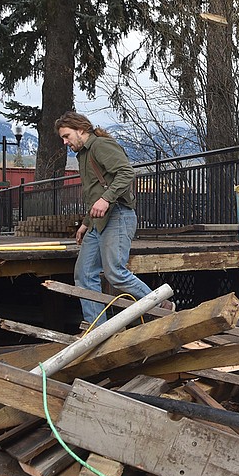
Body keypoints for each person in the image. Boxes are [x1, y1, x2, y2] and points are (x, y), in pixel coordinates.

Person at [55, 111, 171, 326]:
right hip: (98, 222)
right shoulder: (83, 154)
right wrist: (85, 223)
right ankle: (96, 328)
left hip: (118, 214)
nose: (65, 142)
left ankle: (159, 304)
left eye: (67, 136)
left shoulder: (100, 145)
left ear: (81, 130)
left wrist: (106, 200)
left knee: (115, 272)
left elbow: (127, 173)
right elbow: (94, 193)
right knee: (84, 274)